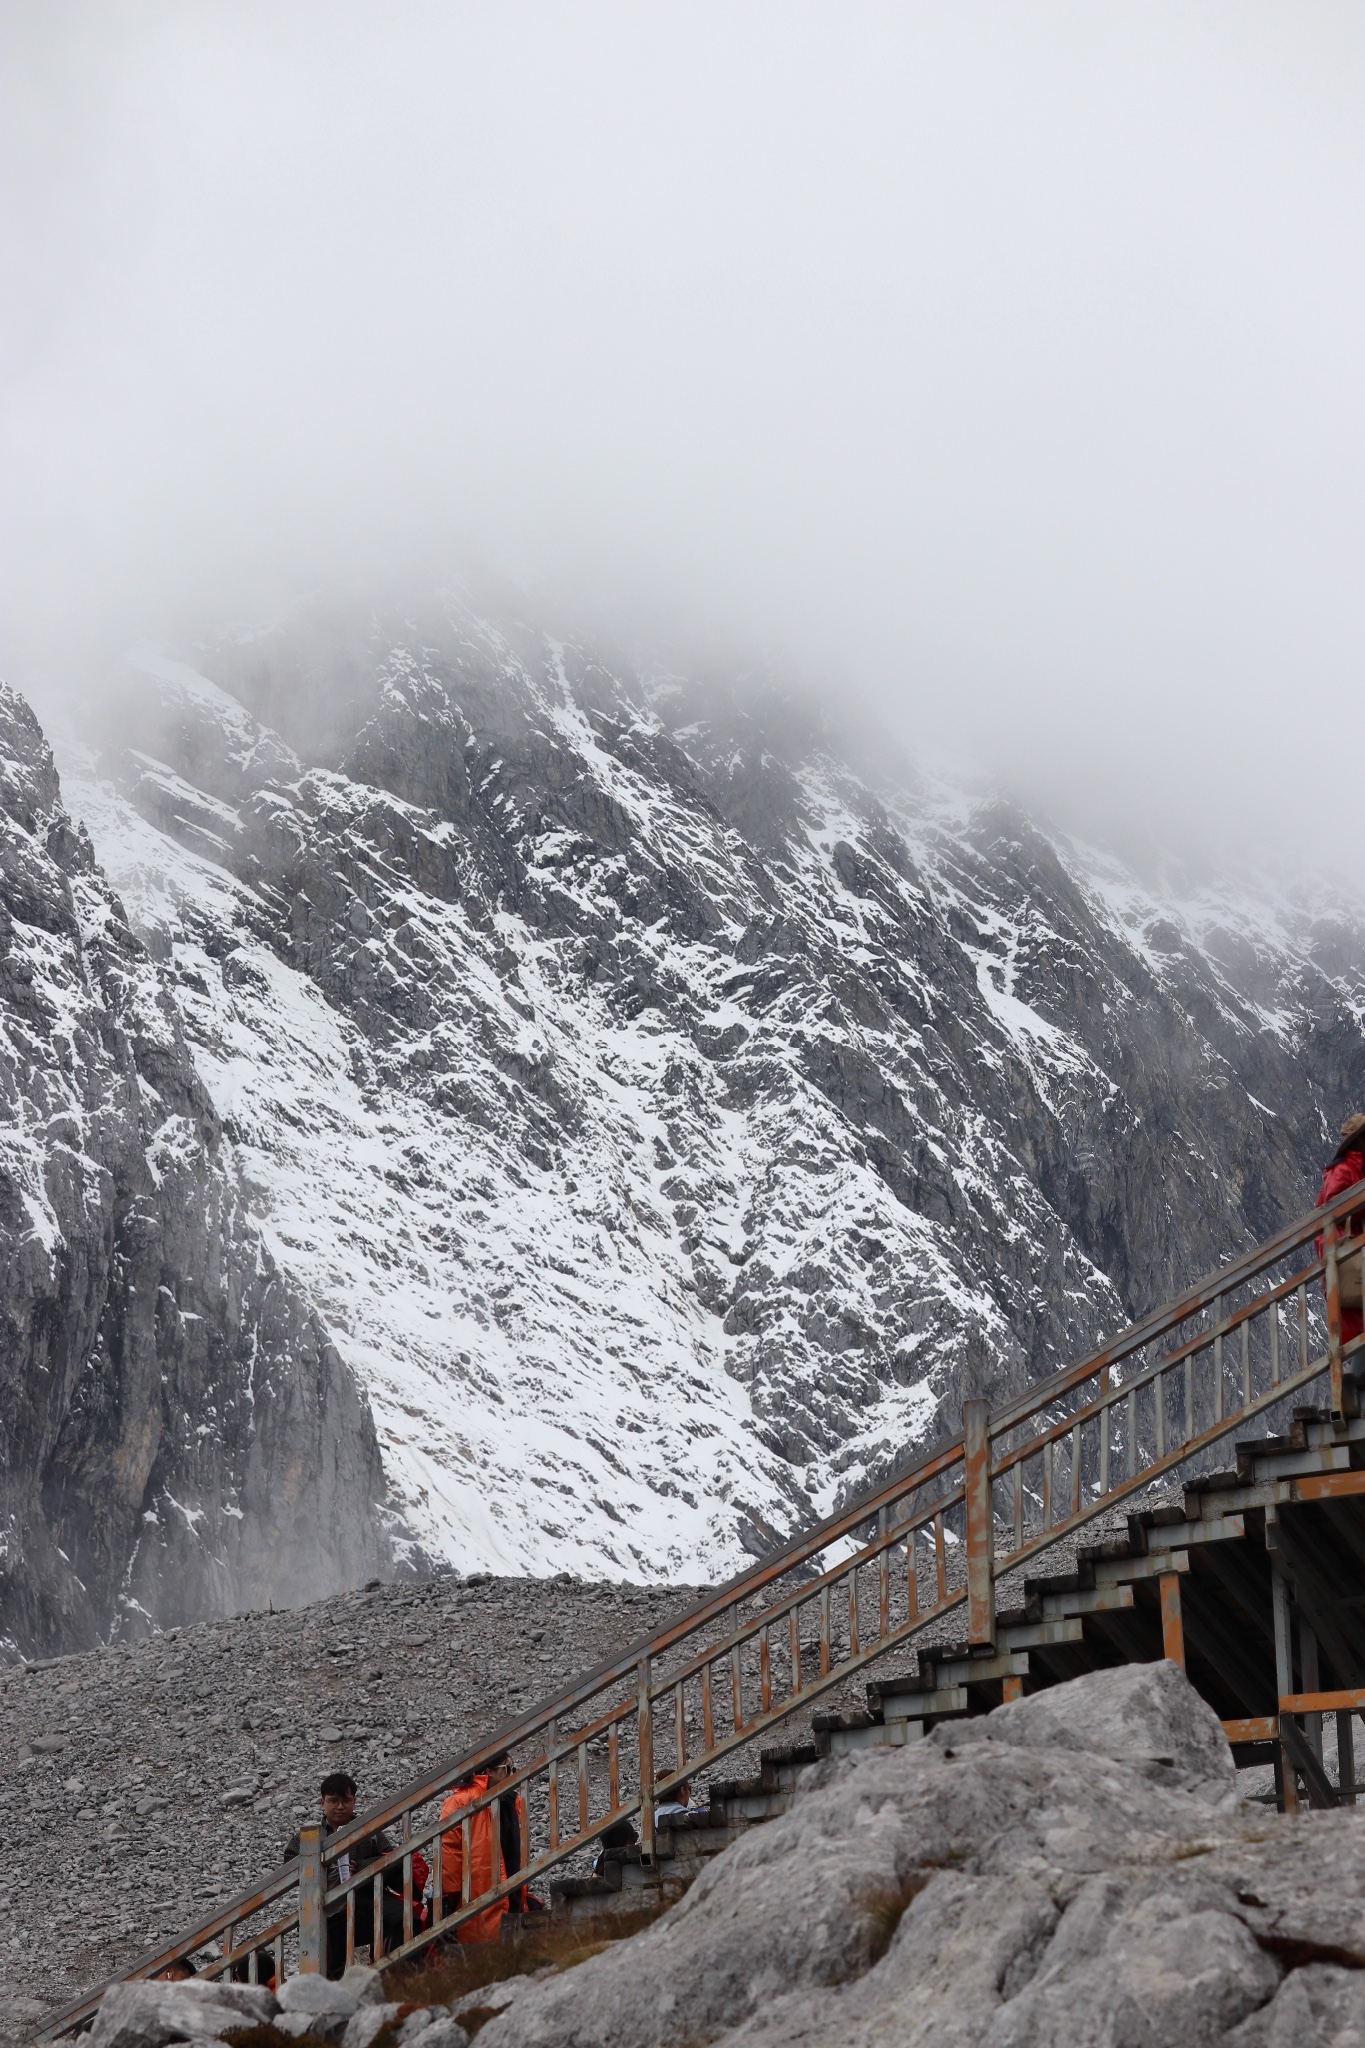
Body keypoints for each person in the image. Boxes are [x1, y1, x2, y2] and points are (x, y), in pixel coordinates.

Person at [284, 1771, 418, 1979]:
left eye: (346, 1800)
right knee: (329, 1962)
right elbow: (290, 1867)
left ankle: (399, 1975)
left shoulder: (369, 1831)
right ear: (322, 1802)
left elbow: (391, 1860)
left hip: (366, 1902)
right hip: (327, 1909)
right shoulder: (307, 1837)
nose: (340, 1806)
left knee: (404, 1917)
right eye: (333, 1801)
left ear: (354, 1801)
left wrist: (364, 1866)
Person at [437, 1750, 527, 1943]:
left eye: (514, 1769)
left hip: (507, 1884)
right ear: (489, 1771)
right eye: (508, 1769)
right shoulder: (460, 1801)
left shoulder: (512, 1800)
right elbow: (449, 1850)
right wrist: (451, 1895)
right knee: (479, 1937)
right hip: (475, 1889)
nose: (512, 1775)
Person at [1317, 1114, 1365, 1346]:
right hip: (1344, 1255)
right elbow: (1334, 1205)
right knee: (1350, 1319)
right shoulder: (1345, 1170)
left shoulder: (1355, 1167)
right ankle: (1351, 1368)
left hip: (1351, 1254)